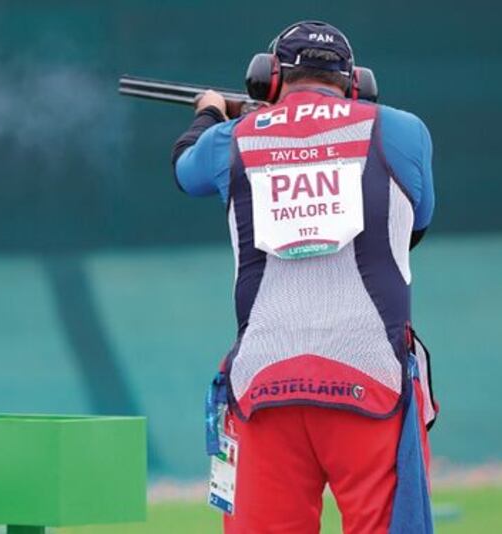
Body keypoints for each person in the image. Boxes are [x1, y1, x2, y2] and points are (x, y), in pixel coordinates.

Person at [172, 21, 438, 534]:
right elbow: (415, 225)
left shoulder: (234, 137)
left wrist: (209, 111)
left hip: (265, 385)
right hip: (371, 381)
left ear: (268, 79)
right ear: (355, 82)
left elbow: (186, 168)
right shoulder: (403, 130)